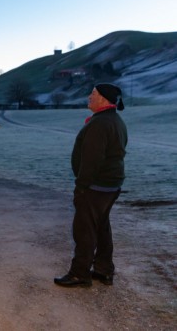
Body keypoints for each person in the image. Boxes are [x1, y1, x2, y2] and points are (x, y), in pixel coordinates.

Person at [54, 83, 127, 287]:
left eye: (93, 94)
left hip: (97, 186)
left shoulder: (100, 123)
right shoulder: (114, 120)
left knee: (84, 229)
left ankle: (80, 273)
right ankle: (104, 270)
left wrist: (82, 186)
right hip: (110, 184)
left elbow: (92, 160)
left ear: (103, 99)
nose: (89, 96)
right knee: (101, 226)